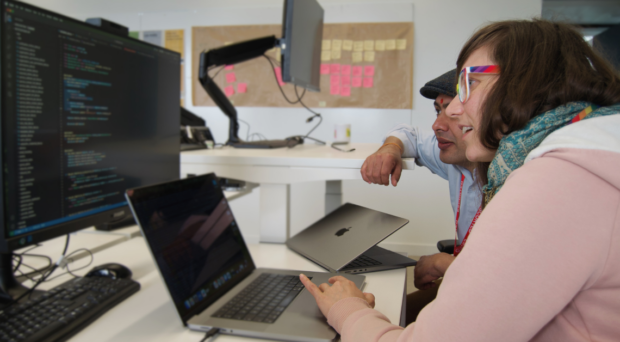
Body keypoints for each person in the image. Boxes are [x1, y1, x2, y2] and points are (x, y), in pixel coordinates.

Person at [301, 19, 620, 341]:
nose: (453, 110)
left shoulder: (553, 184)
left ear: (529, 84)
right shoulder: (588, 153)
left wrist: (348, 309)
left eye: (471, 83)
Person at [360, 70, 482, 321]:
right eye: (439, 111)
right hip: (463, 285)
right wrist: (391, 147)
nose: (437, 125)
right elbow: (410, 133)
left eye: (453, 111)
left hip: (485, 302)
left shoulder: (519, 179)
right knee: (390, 313)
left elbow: (505, 284)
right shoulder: (453, 156)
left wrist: (442, 263)